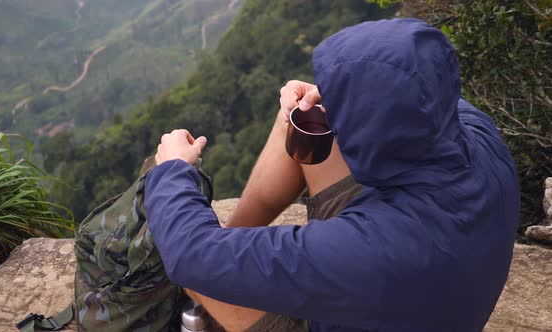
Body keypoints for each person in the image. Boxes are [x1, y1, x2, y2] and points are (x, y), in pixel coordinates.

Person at [145, 18, 520, 332]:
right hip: (426, 294)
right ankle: (232, 244)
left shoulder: (373, 249)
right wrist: (336, 96)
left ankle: (218, 285)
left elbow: (188, 256)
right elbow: (417, 94)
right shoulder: (479, 134)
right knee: (303, 120)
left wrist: (175, 170)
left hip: (384, 285)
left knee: (198, 268)